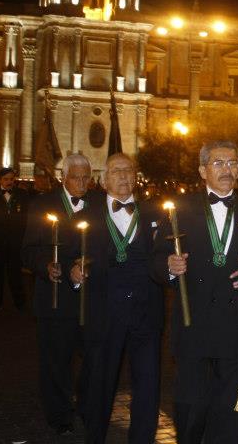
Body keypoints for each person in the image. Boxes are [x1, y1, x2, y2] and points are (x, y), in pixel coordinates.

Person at [152, 140, 238, 444]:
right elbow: (155, 259)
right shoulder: (180, 210)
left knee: (232, 408)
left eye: (232, 163)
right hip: (195, 324)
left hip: (236, 327)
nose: (227, 169)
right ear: (202, 170)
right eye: (218, 163)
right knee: (191, 407)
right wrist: (169, 264)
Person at [67, 153, 163, 443]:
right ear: (104, 178)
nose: (123, 176)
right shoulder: (85, 217)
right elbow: (73, 255)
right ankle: (95, 435)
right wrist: (74, 272)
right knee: (101, 380)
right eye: (116, 171)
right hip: (105, 311)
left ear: (136, 176)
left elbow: (163, 257)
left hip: (147, 310)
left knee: (147, 382)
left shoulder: (155, 214)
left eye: (128, 170)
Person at [22, 153, 94, 435]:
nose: (82, 182)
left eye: (87, 177)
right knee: (56, 361)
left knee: (93, 358)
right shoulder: (44, 204)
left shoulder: (98, 205)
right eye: (77, 177)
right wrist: (46, 265)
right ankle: (59, 414)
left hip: (90, 300)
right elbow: (28, 250)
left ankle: (88, 406)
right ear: (64, 177)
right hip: (56, 297)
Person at [0, 167, 28, 311]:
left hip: (15, 240)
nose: (9, 182)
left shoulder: (22, 194)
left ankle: (19, 302)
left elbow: (26, 216)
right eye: (6, 179)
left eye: (11, 179)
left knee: (15, 273)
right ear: (0, 180)